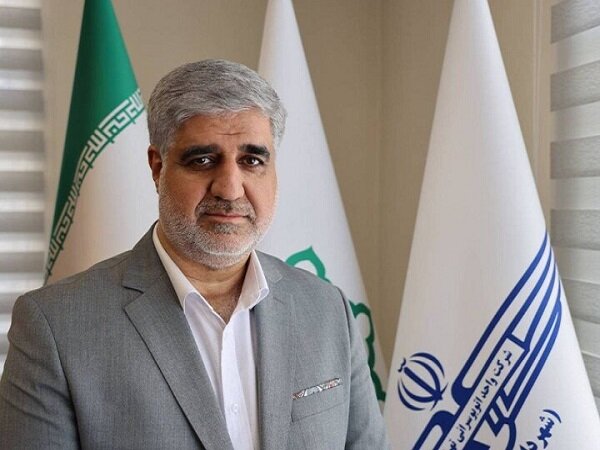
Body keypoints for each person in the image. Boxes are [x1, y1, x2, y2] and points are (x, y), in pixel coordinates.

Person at [0, 59, 389, 449]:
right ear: (158, 168)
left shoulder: (326, 309)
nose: (230, 189)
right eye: (203, 160)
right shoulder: (56, 326)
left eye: (252, 161)